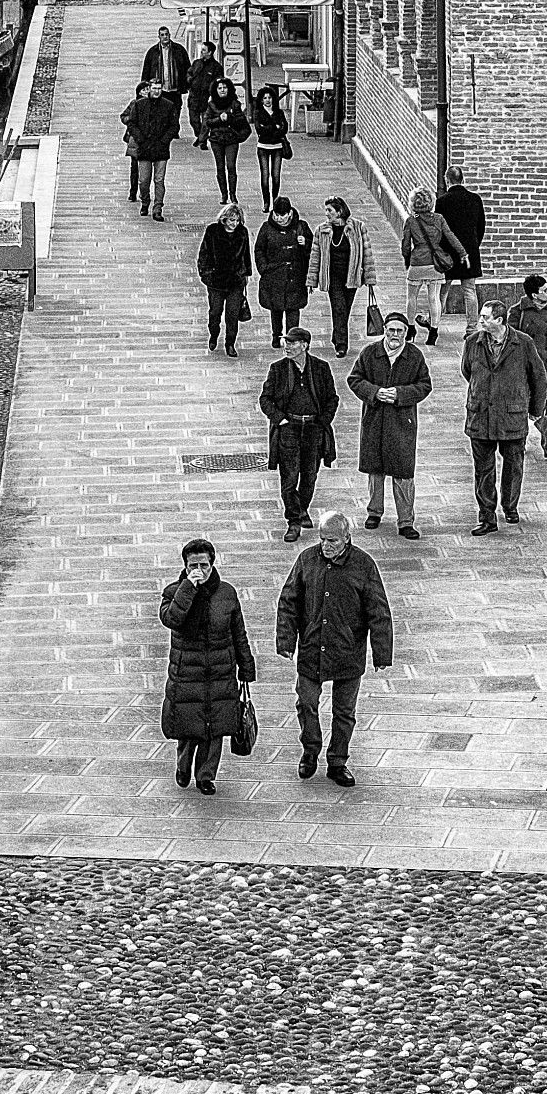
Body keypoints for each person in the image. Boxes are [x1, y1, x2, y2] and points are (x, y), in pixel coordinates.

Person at [275, 512, 393, 786]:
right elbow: (289, 601)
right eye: (323, 539)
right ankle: (310, 750)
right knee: (306, 703)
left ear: (347, 538)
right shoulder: (307, 559)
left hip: (347, 651)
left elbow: (378, 610)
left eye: (333, 541)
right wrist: (285, 640)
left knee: (344, 712)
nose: (326, 546)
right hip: (312, 648)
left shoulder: (363, 565)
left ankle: (338, 761)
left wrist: (381, 651)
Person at [159, 539, 256, 794]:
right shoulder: (174, 592)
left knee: (216, 729)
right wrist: (188, 588)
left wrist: (246, 667)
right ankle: (183, 766)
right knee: (189, 727)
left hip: (220, 671)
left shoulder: (226, 593)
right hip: (187, 673)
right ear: (186, 566)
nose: (199, 569)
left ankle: (206, 775)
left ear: (212, 564)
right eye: (194, 565)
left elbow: (239, 632)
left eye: (204, 564)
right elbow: (172, 618)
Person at [459, 299, 547, 534]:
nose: (480, 320)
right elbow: (467, 370)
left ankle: (510, 506)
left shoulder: (523, 343)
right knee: (483, 469)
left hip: (512, 416)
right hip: (481, 416)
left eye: (485, 317)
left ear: (499, 320)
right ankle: (487, 516)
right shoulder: (472, 343)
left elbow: (538, 376)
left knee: (513, 465)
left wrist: (535, 411)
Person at [347, 314, 431, 538]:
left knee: (403, 472)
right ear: (384, 329)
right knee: (375, 470)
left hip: (402, 422)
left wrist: (399, 394)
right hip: (374, 419)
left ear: (406, 333)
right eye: (391, 330)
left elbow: (424, 385)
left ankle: (405, 521)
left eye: (400, 331)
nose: (395, 335)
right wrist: (374, 392)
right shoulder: (370, 353)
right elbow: (354, 379)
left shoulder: (414, 356)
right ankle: (374, 512)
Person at [260, 326, 338, 540]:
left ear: (304, 345)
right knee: (289, 476)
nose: (287, 346)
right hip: (289, 428)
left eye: (292, 343)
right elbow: (265, 400)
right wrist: (281, 420)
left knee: (310, 475)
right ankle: (293, 521)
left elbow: (332, 398)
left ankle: (302, 508)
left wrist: (323, 421)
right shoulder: (277, 369)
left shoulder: (321, 368)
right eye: (286, 342)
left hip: (313, 428)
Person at [398, 186, 468, 346]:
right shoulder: (439, 219)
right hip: (436, 264)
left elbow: (406, 246)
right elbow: (450, 236)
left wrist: (407, 261)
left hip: (417, 263)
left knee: (411, 298)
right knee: (434, 298)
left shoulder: (411, 221)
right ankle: (434, 331)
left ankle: (410, 329)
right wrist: (462, 252)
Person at [306, 196, 375, 358]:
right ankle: (342, 344)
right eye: (326, 210)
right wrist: (311, 279)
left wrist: (370, 278)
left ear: (340, 211)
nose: (326, 214)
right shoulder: (321, 231)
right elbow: (315, 256)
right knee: (339, 308)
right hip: (333, 277)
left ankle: (337, 336)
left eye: (329, 210)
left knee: (345, 310)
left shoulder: (358, 227)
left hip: (351, 276)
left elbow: (367, 253)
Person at [509, 274, 547, 458]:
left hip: (546, 367)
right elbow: (512, 341)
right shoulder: (518, 312)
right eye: (545, 291)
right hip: (525, 369)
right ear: (534, 294)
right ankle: (519, 442)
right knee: (523, 406)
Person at [255, 196, 313, 348]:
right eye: (277, 215)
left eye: (283, 215)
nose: (279, 218)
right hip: (274, 275)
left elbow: (314, 250)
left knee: (293, 309)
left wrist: (305, 244)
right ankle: (276, 335)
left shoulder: (301, 226)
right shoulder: (266, 228)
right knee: (276, 308)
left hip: (296, 275)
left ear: (290, 214)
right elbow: (259, 249)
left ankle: (291, 337)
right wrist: (264, 268)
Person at [199, 202, 253, 355]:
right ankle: (214, 335)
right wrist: (206, 274)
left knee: (232, 314)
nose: (234, 224)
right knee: (215, 312)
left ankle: (230, 343)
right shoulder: (213, 231)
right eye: (231, 220)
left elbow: (246, 255)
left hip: (235, 281)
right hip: (216, 281)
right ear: (224, 219)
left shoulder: (242, 233)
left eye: (237, 220)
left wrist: (246, 273)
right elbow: (204, 254)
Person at [120, 79, 178, 220]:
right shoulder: (140, 105)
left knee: (159, 179)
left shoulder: (168, 105)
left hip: (161, 148)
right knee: (144, 180)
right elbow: (132, 123)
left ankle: (158, 207)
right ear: (149, 89)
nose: (157, 91)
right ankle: (145, 201)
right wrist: (140, 139)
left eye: (159, 88)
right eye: (154, 88)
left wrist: (164, 140)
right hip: (144, 147)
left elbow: (174, 126)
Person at [435, 164, 487, 292]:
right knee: (470, 290)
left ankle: (438, 313)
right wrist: (474, 244)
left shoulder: (442, 201)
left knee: (443, 290)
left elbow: (438, 229)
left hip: (448, 251)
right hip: (470, 250)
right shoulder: (475, 199)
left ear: (447, 180)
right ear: (462, 180)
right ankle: (472, 314)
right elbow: (481, 226)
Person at [205, 78, 250, 205]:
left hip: (231, 138)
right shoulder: (212, 104)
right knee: (220, 167)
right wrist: (219, 119)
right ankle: (223, 194)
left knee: (231, 166)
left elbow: (241, 121)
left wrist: (229, 118)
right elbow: (208, 121)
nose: (222, 90)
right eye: (219, 88)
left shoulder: (235, 104)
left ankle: (233, 194)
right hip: (216, 139)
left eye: (224, 87)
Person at [142, 26, 192, 125]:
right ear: (159, 37)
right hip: (160, 88)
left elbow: (187, 67)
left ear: (170, 35)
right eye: (162, 35)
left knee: (176, 108)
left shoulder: (179, 49)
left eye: (166, 34)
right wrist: (145, 86)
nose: (165, 37)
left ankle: (174, 128)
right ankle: (165, 128)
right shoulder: (153, 51)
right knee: (161, 110)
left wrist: (188, 83)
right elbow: (146, 70)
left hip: (175, 88)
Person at [252, 87, 293, 206]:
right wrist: (275, 127)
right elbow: (259, 129)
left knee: (276, 175)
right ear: (261, 100)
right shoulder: (258, 113)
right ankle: (266, 202)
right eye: (265, 98)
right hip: (263, 146)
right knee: (265, 175)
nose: (267, 100)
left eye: (269, 97)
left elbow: (284, 128)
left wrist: (269, 128)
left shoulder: (279, 112)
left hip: (277, 147)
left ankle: (275, 200)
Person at [186, 42, 224, 147]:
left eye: (204, 50)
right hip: (194, 95)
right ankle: (200, 136)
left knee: (205, 121)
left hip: (206, 96)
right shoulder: (197, 63)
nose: (201, 52)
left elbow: (218, 82)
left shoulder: (216, 67)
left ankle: (202, 141)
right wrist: (189, 79)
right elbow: (189, 72)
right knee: (193, 119)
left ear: (210, 52)